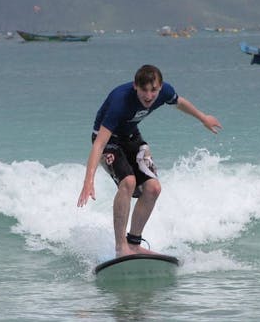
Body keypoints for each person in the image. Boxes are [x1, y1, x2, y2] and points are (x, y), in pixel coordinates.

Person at [77, 64, 222, 257]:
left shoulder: (164, 92)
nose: (149, 96)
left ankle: (134, 244)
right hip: (108, 141)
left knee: (154, 188)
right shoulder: (120, 101)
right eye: (144, 90)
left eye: (153, 90)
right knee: (128, 182)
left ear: (160, 87)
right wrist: (88, 181)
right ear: (135, 86)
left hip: (131, 136)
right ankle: (121, 248)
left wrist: (203, 118)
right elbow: (99, 144)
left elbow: (179, 102)